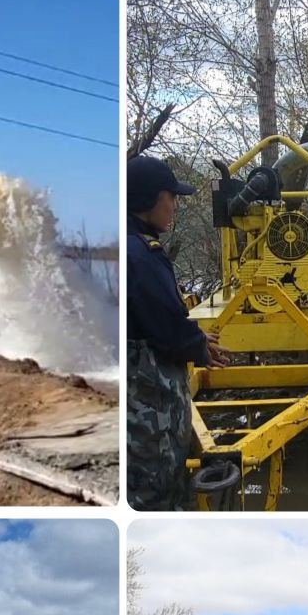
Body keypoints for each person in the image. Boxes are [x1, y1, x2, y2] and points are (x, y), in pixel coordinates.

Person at [127, 154, 229, 510]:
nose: (175, 205)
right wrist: (198, 345)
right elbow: (166, 322)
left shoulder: (124, 246)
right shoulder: (142, 254)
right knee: (156, 488)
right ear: (152, 199)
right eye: (172, 197)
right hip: (147, 406)